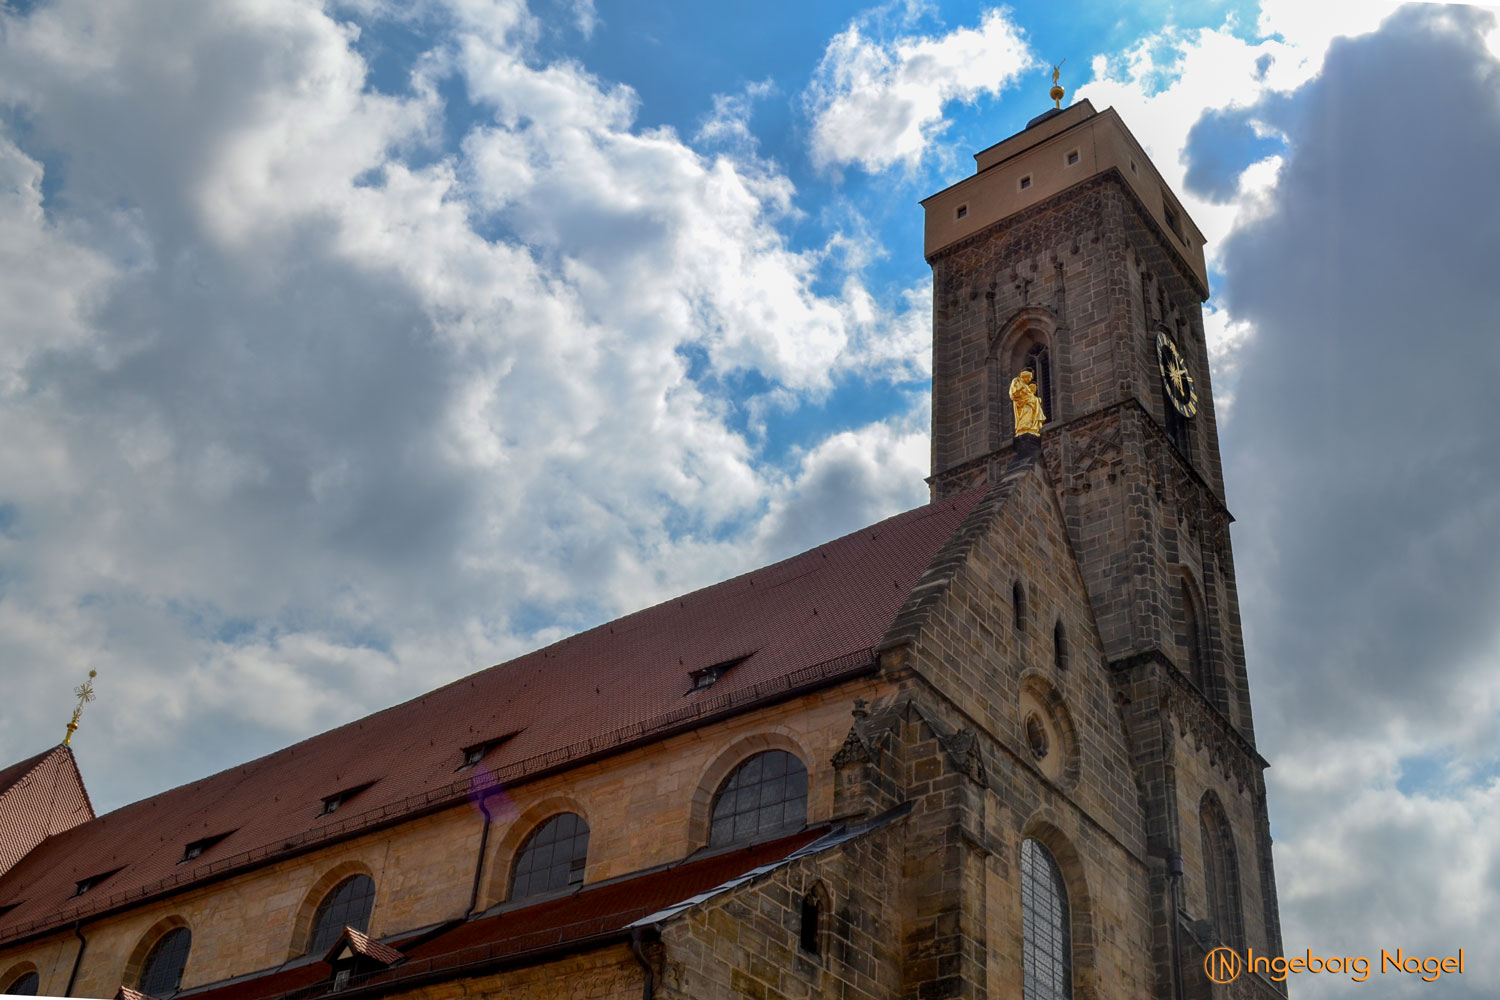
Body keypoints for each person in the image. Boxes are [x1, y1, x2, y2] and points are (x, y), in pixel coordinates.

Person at [1010, 370, 1046, 436]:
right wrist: (1020, 389)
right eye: (1029, 378)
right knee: (1027, 412)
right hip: (1022, 404)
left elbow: (1029, 393)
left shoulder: (1026, 385)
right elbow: (1013, 394)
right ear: (1025, 376)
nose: (1030, 380)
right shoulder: (1016, 381)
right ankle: (1024, 427)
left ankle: (1032, 426)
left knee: (1031, 410)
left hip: (1030, 403)